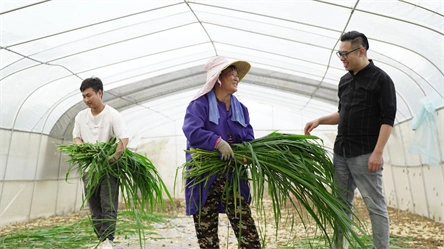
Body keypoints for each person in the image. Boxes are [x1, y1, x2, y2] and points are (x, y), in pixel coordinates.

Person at [304, 31, 396, 249]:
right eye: (339, 54)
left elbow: (387, 119)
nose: (342, 59)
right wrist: (320, 120)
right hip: (341, 153)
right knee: (341, 206)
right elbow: (342, 114)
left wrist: (378, 153)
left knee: (375, 207)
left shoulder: (381, 80)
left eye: (345, 54)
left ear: (361, 51)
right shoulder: (344, 81)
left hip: (366, 154)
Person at [182, 56, 261, 248]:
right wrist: (217, 142)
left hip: (232, 176)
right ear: (217, 78)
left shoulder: (241, 109)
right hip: (205, 177)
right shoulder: (199, 105)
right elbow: (192, 131)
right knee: (207, 238)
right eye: (231, 75)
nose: (236, 78)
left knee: (248, 236)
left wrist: (246, 154)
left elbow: (248, 136)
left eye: (237, 75)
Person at [73, 77, 129, 249]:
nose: (86, 100)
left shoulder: (112, 115)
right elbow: (76, 137)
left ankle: (108, 241)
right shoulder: (81, 116)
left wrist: (112, 159)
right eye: (83, 96)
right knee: (94, 206)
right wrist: (84, 150)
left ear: (99, 93)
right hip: (89, 169)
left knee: (108, 205)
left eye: (89, 95)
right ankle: (102, 240)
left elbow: (123, 139)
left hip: (109, 169)